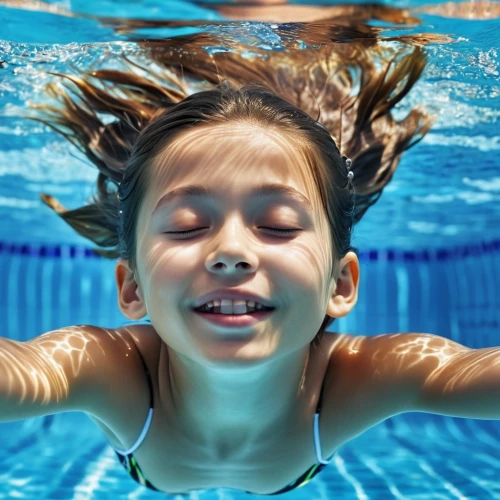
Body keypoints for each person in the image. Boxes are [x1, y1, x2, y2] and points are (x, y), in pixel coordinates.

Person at [2, 39, 499, 496]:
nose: (231, 249)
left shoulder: (356, 379)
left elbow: (466, 372)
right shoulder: (112, 369)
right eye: (186, 225)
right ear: (132, 285)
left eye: (280, 225)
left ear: (340, 284)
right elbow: (26, 370)